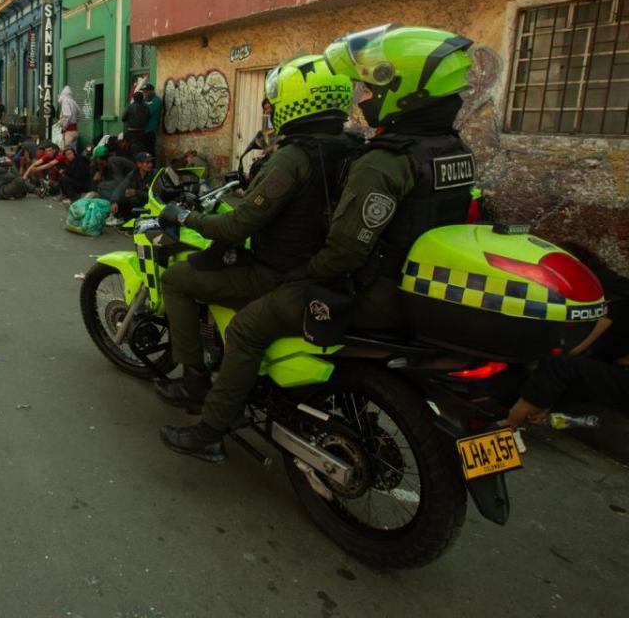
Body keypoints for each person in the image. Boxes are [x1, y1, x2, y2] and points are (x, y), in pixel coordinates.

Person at [160, 25, 480, 461]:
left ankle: (211, 423)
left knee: (231, 316)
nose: (364, 97)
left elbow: (279, 234)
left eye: (370, 89)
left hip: (356, 284)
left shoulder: (365, 159)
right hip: (414, 281)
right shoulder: (443, 149)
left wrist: (188, 217)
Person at [152, 55, 359, 420]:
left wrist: (184, 215)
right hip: (327, 269)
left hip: (281, 273)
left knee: (176, 279)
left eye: (275, 100)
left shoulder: (294, 157)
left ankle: (194, 381)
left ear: (296, 101)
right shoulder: (353, 147)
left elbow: (236, 227)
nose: (271, 108)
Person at [507, 248, 628, 427]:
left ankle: (510, 424)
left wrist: (574, 351)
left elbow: (603, 334)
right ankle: (538, 411)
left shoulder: (607, 291)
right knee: (569, 368)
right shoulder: (612, 285)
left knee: (559, 365)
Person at [109, 152, 155, 219]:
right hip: (138, 201)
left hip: (150, 203)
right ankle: (124, 219)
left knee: (133, 200)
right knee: (122, 198)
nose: (150, 165)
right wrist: (114, 201)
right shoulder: (133, 174)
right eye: (147, 162)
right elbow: (121, 187)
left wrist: (136, 192)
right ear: (139, 164)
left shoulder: (154, 174)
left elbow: (155, 195)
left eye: (151, 162)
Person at [122, 91, 150, 155]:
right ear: (142, 98)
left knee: (131, 150)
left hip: (131, 132)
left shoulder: (129, 107)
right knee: (142, 149)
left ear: (134, 98)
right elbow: (148, 119)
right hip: (142, 132)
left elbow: (123, 118)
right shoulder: (146, 107)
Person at [142, 82, 162, 154]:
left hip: (151, 130)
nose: (145, 93)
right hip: (142, 130)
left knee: (150, 151)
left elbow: (148, 113)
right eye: (144, 91)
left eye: (146, 91)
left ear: (151, 91)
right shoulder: (143, 100)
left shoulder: (156, 101)